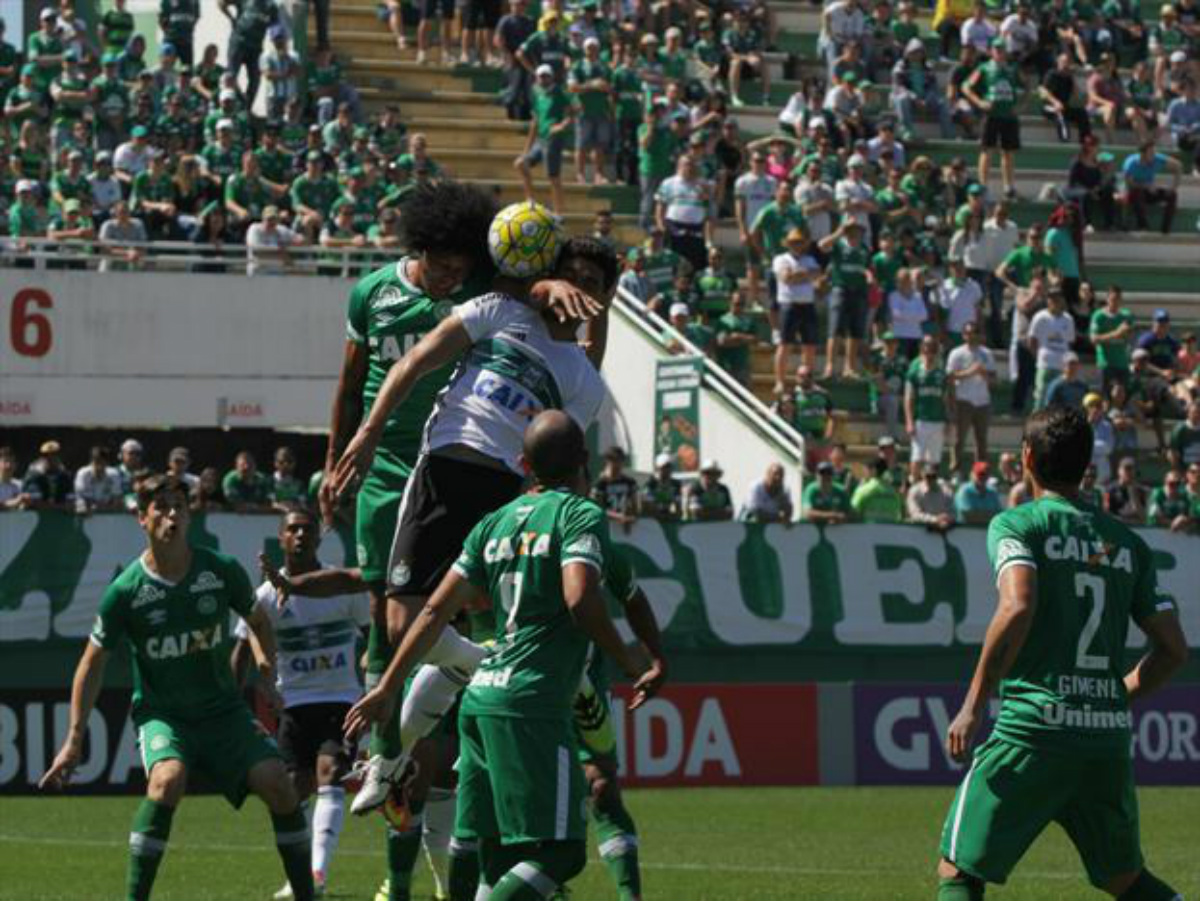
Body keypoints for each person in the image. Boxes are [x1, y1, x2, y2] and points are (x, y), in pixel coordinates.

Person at [344, 411, 654, 901]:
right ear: (584, 460)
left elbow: (432, 611)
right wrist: (630, 660)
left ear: (523, 464)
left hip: (481, 697)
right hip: (533, 699)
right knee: (562, 855)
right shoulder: (579, 515)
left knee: (491, 850)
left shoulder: (493, 523)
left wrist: (387, 686)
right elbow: (579, 597)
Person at [935, 407, 1186, 901]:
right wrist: (1113, 698)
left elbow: (1017, 605)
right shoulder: (1127, 543)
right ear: (1087, 464)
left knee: (959, 869)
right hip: (1104, 739)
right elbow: (1174, 649)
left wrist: (972, 704)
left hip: (1033, 732)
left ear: (1026, 457)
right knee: (1124, 879)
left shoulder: (1018, 525)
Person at [39, 475, 317, 901]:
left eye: (179, 507)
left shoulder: (219, 570)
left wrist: (266, 669)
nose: (172, 515)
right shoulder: (125, 591)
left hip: (224, 712)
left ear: (189, 516)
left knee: (279, 784)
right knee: (167, 781)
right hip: (164, 716)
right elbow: (91, 664)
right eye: (161, 507)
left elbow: (259, 622)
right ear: (141, 518)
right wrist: (74, 740)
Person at [230, 508, 371, 899]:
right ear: (281, 538)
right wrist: (233, 704)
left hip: (341, 699)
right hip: (292, 705)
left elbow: (374, 633)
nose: (300, 535)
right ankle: (299, 876)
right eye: (292, 529)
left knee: (330, 771)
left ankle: (317, 875)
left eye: (308, 529)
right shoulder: (264, 596)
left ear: (318, 538)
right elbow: (242, 650)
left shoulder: (340, 586)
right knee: (293, 790)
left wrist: (372, 669)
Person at [963, 39, 1023, 199]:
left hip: (1009, 115)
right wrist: (979, 102)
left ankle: (1009, 186)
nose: (1000, 52)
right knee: (987, 150)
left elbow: (1027, 86)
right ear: (991, 51)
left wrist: (1021, 105)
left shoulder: (1012, 69)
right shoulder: (984, 68)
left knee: (1008, 152)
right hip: (991, 115)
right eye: (996, 49)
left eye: (1002, 49)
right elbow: (966, 86)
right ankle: (983, 185)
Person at [515, 65, 575, 214]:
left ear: (552, 77)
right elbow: (535, 122)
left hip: (553, 139)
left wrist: (562, 126)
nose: (543, 79)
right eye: (541, 76)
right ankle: (530, 201)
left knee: (553, 177)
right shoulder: (537, 94)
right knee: (521, 164)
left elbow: (574, 111)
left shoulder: (559, 92)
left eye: (546, 76)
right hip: (541, 139)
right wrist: (526, 150)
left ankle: (558, 212)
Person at [771, 226, 822, 387]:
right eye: (793, 242)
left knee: (810, 346)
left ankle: (808, 380)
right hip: (789, 304)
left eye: (799, 242)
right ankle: (780, 381)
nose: (797, 245)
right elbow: (786, 278)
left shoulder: (810, 259)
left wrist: (797, 275)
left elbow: (817, 274)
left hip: (807, 304)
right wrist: (807, 274)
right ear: (788, 244)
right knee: (785, 344)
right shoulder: (781, 259)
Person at [946, 322, 995, 476]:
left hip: (983, 401)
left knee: (981, 439)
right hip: (963, 400)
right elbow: (950, 377)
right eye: (968, 333)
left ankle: (980, 472)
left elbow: (993, 379)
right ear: (963, 335)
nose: (972, 336)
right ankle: (956, 470)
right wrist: (971, 372)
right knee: (959, 438)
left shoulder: (987, 353)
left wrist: (984, 373)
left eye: (975, 333)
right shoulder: (956, 353)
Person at [905, 335, 949, 482]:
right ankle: (913, 485)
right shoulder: (914, 370)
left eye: (933, 347)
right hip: (921, 420)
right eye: (927, 346)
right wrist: (909, 421)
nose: (930, 350)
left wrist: (947, 420)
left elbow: (946, 398)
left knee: (934, 459)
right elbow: (909, 398)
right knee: (917, 457)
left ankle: (931, 487)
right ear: (922, 348)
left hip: (938, 420)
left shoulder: (942, 372)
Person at [1120, 142, 1183, 234]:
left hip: (1150, 192)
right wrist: (1146, 186)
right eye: (1151, 153)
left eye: (1154, 152)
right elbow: (1129, 184)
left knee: (1172, 195)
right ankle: (1143, 226)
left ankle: (1165, 230)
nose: (1153, 155)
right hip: (1132, 194)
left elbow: (1178, 166)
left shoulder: (1157, 159)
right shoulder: (1131, 163)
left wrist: (1174, 187)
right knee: (1137, 192)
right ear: (1142, 153)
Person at [1028, 291, 1076, 411]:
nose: (1054, 301)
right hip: (1045, 364)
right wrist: (1039, 357)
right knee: (1041, 395)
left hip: (1062, 366)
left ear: (1062, 300)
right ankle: (1037, 421)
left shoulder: (1068, 319)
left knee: (1059, 398)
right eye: (1051, 298)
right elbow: (1032, 340)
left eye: (1057, 298)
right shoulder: (1040, 317)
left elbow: (1069, 342)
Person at [1090, 286, 1135, 396]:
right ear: (1107, 299)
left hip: (1122, 363)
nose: (1115, 302)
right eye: (1113, 299)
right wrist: (1116, 333)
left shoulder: (1126, 315)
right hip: (1106, 364)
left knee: (1123, 396)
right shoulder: (1099, 316)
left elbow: (1130, 335)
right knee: (1105, 396)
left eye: (1118, 299)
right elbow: (1093, 339)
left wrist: (1127, 333)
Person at [591, 446, 639, 530]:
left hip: (626, 529)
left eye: (619, 460)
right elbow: (596, 509)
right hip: (607, 527)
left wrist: (631, 516)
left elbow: (637, 506)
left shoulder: (630, 483)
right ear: (607, 461)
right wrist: (618, 517)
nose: (617, 464)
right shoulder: (600, 484)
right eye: (613, 460)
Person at [851, 457, 905, 523]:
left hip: (868, 528)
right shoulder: (894, 492)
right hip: (890, 528)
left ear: (873, 470)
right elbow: (899, 512)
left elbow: (852, 512)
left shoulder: (863, 490)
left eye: (866, 469)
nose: (864, 472)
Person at [73, 445, 123, 514]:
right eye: (96, 462)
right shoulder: (82, 474)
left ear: (107, 463)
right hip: (86, 514)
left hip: (107, 513)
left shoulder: (114, 474)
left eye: (102, 463)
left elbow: (117, 500)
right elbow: (81, 500)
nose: (99, 467)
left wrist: (105, 507)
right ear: (91, 462)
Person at [907, 463, 956, 531]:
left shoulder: (946, 491)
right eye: (928, 476)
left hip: (944, 528)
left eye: (933, 476)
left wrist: (947, 519)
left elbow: (953, 513)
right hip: (918, 530)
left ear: (937, 476)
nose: (930, 479)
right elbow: (915, 514)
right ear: (922, 475)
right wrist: (935, 519)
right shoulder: (915, 491)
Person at [954, 460, 1003, 525]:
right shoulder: (964, 491)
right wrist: (990, 515)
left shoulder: (992, 492)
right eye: (979, 474)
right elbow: (968, 515)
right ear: (972, 475)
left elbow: (999, 514)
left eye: (985, 474)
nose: (982, 477)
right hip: (966, 528)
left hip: (986, 527)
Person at [640, 453, 682, 521]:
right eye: (665, 467)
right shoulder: (650, 485)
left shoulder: (676, 485)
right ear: (657, 468)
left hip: (668, 519)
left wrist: (675, 516)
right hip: (652, 521)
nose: (668, 470)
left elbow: (678, 507)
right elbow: (648, 508)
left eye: (669, 466)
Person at [1168, 400, 1200, 471]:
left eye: (1199, 412)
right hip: (1184, 465)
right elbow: (1173, 452)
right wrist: (1178, 469)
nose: (1197, 415)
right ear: (1188, 413)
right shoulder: (1179, 429)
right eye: (1194, 412)